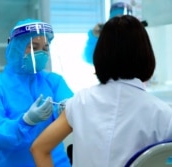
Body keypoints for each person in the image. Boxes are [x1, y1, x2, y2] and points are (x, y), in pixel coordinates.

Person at [30, 15, 172, 167]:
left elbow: (39, 148)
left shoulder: (80, 101)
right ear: (146, 54)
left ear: (100, 54)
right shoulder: (162, 113)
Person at [0, 18, 73, 167]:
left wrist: (68, 109)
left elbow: (72, 109)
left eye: (45, 48)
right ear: (17, 48)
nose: (41, 53)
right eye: (33, 47)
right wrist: (26, 121)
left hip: (54, 162)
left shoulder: (54, 81)